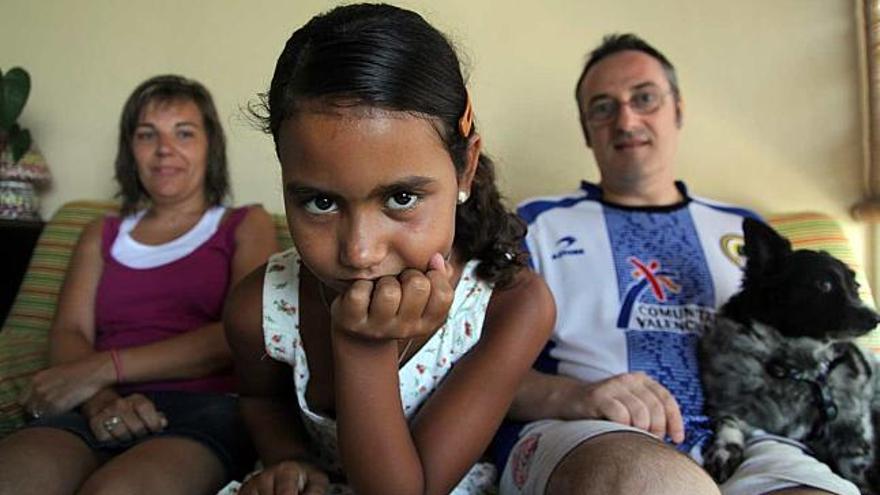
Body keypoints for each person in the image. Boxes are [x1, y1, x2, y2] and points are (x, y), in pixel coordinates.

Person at [493, 34, 860, 495]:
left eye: (644, 98)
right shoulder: (534, 223)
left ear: (678, 109)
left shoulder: (747, 231)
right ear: (587, 130)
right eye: (603, 108)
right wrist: (575, 397)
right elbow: (471, 370)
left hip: (748, 438)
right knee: (653, 483)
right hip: (589, 429)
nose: (626, 119)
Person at [220, 4, 555, 495]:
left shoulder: (511, 307)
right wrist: (289, 460)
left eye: (401, 198)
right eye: (320, 201)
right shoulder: (261, 308)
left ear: (464, 171)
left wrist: (364, 348)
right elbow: (259, 399)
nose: (359, 252)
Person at [0, 75, 279, 495]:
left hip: (205, 409)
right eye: (147, 135)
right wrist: (102, 400)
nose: (165, 149)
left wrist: (101, 367)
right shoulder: (100, 233)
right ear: (131, 150)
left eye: (184, 133)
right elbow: (68, 333)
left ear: (211, 147)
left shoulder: (245, 224)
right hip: (97, 405)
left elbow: (239, 335)